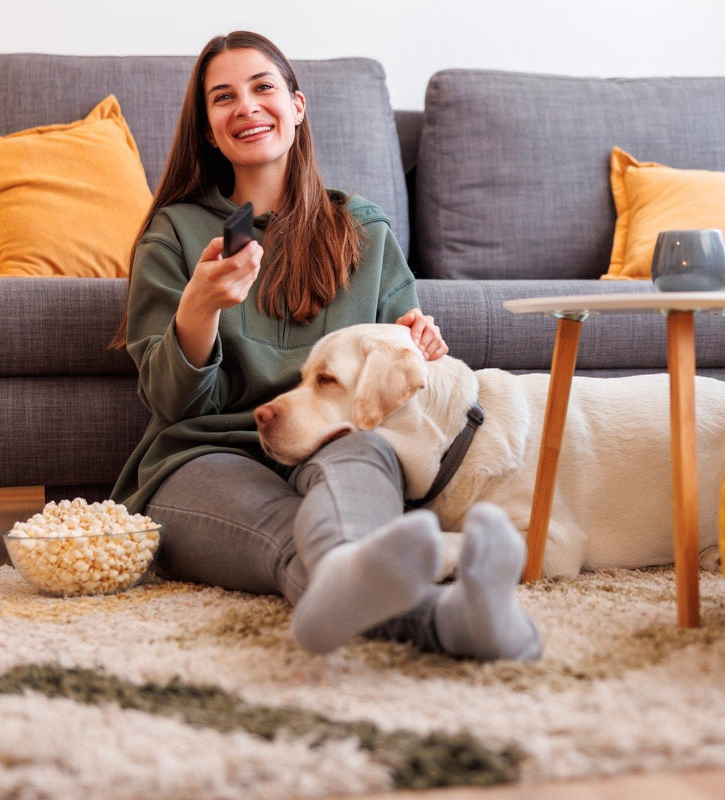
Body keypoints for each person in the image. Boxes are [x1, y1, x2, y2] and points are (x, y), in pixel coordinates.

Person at [110, 31, 541, 662]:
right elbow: (174, 404)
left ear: (298, 105)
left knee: (356, 481)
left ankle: (412, 607)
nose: (247, 107)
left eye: (263, 88)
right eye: (223, 98)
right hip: (204, 454)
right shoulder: (173, 234)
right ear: (208, 130)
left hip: (340, 444)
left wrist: (421, 344)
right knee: (299, 542)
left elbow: (402, 359)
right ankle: (454, 621)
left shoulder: (361, 228)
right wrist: (199, 307)